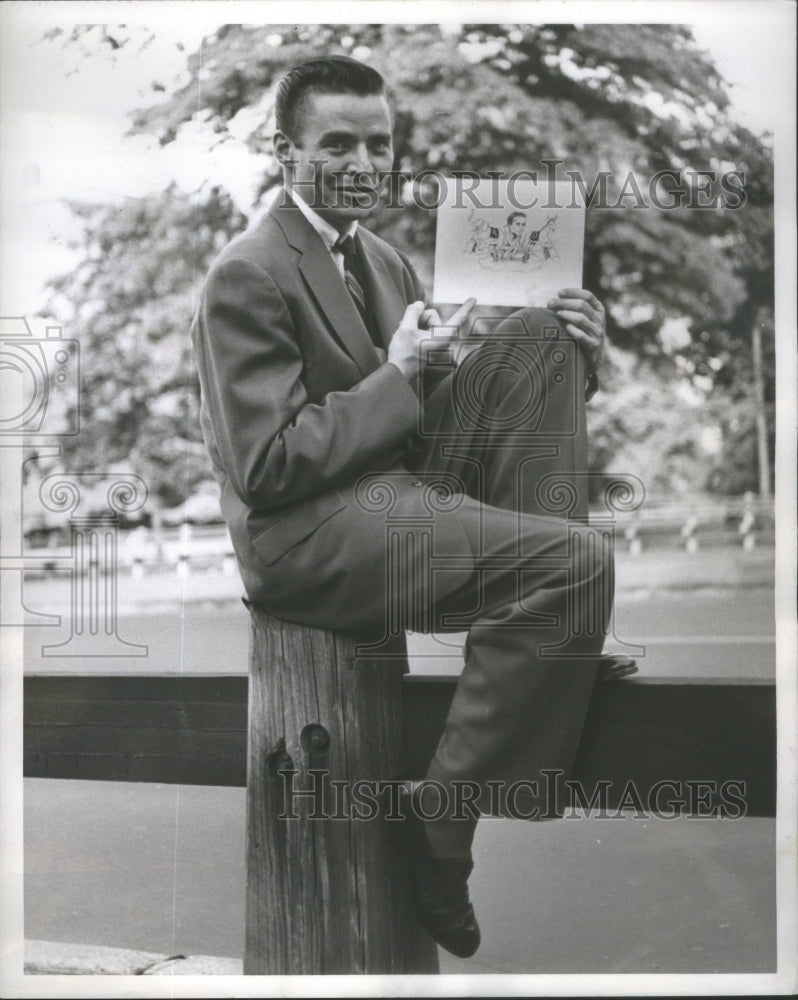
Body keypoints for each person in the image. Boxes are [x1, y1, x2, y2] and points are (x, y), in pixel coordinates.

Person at [192, 55, 618, 959]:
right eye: (335, 143)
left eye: (377, 144)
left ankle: (551, 633)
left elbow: (426, 430)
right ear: (284, 150)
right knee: (574, 564)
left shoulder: (382, 258)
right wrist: (398, 375)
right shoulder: (247, 273)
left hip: (389, 497)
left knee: (540, 335)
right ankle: (441, 821)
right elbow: (266, 466)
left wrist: (585, 356)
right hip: (306, 537)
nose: (361, 161)